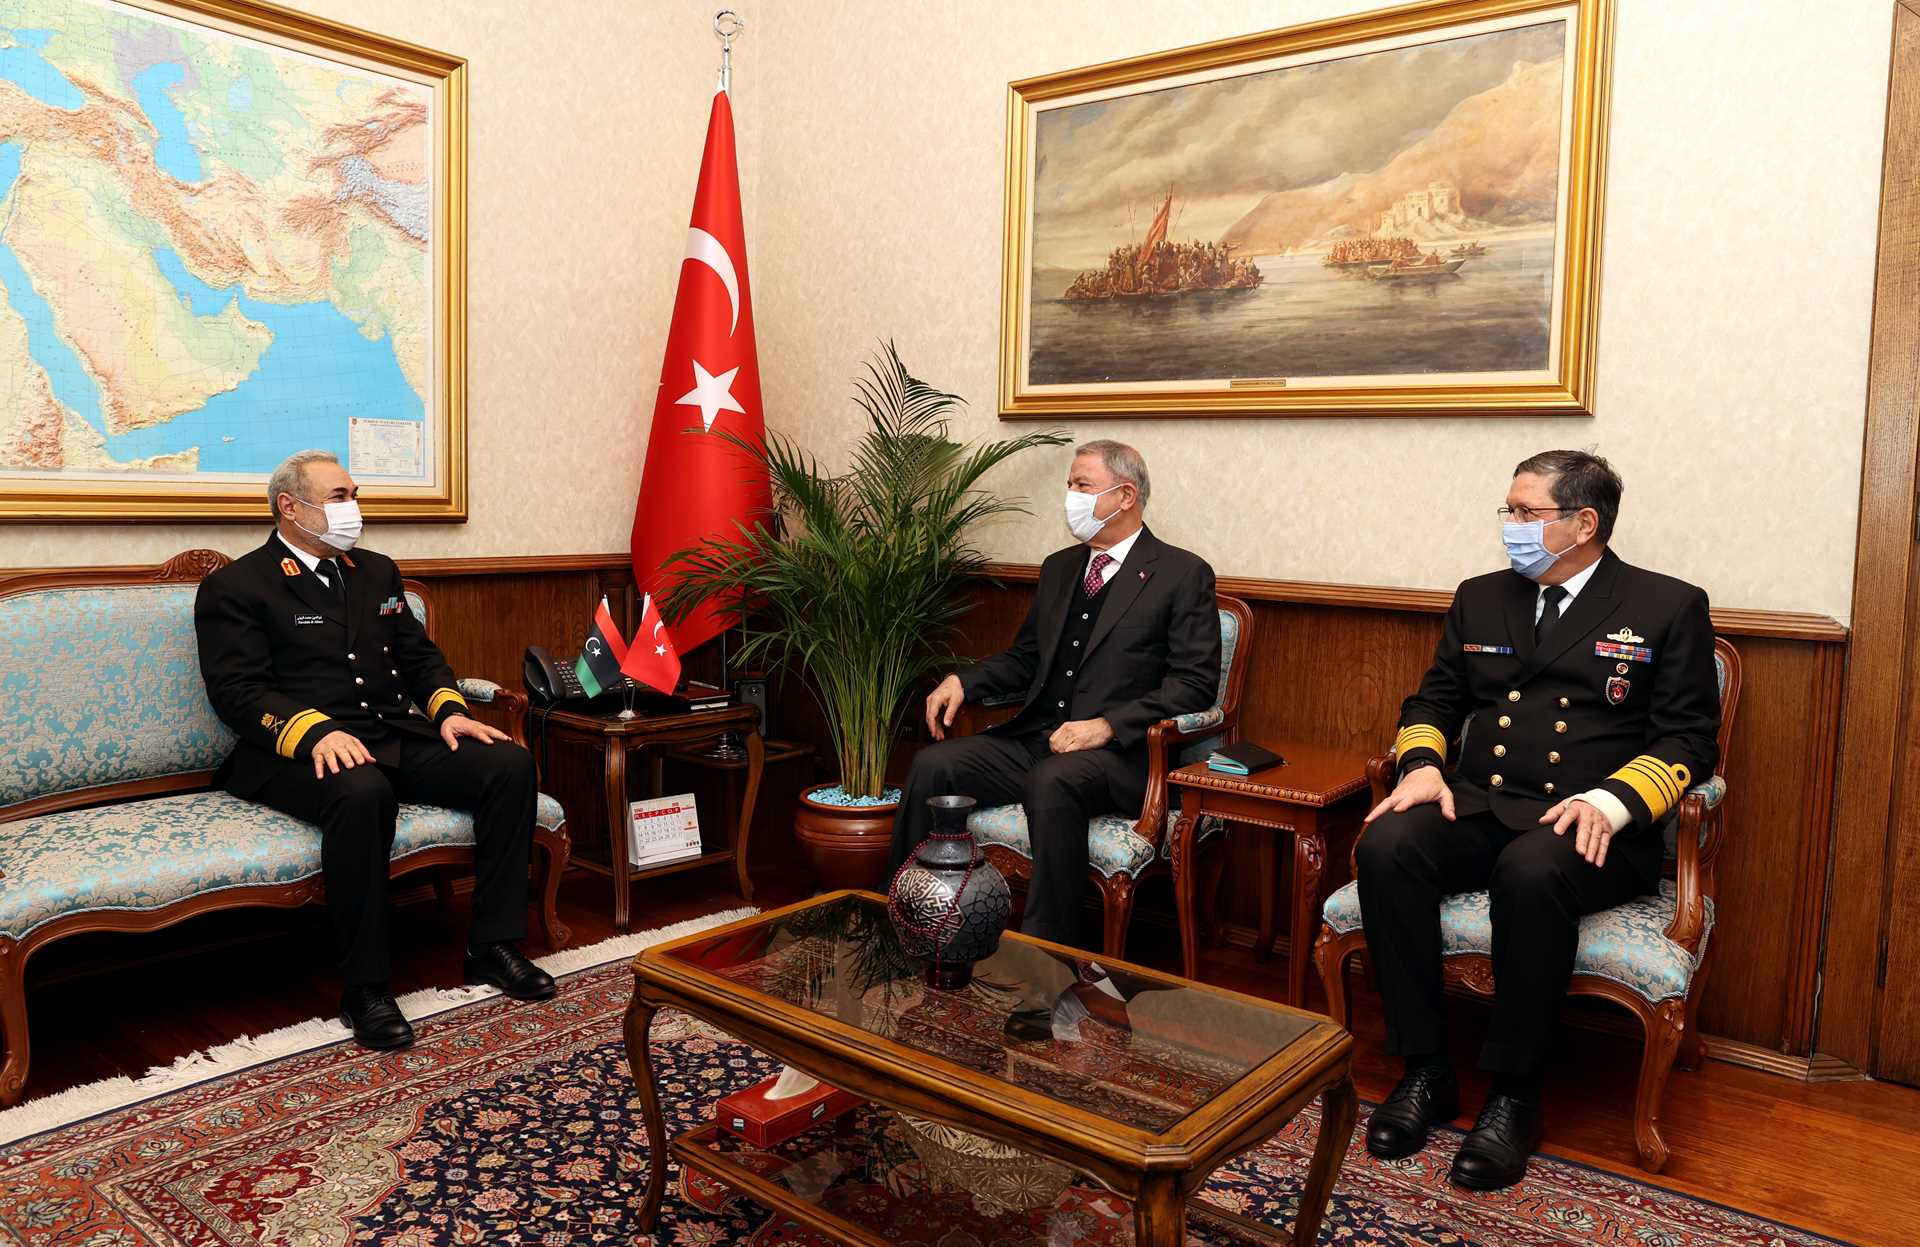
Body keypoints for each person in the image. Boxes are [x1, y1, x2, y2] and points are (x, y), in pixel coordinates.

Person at [1356, 449, 1720, 1190]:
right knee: (1387, 844)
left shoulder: (1665, 604)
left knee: (1530, 872)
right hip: (1482, 802)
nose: (1511, 525)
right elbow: (1434, 702)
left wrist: (1610, 802)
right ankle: (1425, 1071)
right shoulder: (1481, 596)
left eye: (1527, 512)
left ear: (1584, 523)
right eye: (1510, 510)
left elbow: (1689, 741)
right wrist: (1421, 765)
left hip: (1588, 824)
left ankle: (1514, 1096)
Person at [195, 450, 555, 1051]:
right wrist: (315, 733)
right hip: (293, 752)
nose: (353, 508)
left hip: (389, 733)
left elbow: (418, 658)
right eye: (338, 497)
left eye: (353, 495)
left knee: (508, 764)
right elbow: (237, 691)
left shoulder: (376, 572)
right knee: (363, 791)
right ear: (290, 507)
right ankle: (366, 988)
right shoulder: (237, 585)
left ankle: (492, 947)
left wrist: (450, 712)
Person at [885, 440, 1221, 945]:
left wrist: (1106, 726)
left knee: (1052, 781)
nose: (1070, 496)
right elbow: (1026, 658)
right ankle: (905, 918)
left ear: (1125, 496)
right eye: (1070, 484)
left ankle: (1050, 950)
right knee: (935, 765)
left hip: (1122, 757)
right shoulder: (1060, 567)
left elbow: (1194, 684)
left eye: (1082, 485)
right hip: (1038, 738)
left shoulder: (1181, 573)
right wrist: (963, 680)